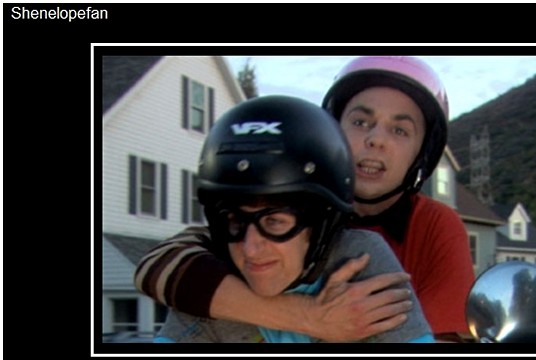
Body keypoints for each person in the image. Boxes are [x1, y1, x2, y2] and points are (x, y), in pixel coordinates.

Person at [135, 56, 474, 340]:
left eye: (399, 130)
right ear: (332, 131)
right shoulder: (248, 224)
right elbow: (160, 265)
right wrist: (308, 317)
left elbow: (437, 339)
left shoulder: (434, 225)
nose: (376, 140)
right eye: (360, 121)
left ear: (421, 154)